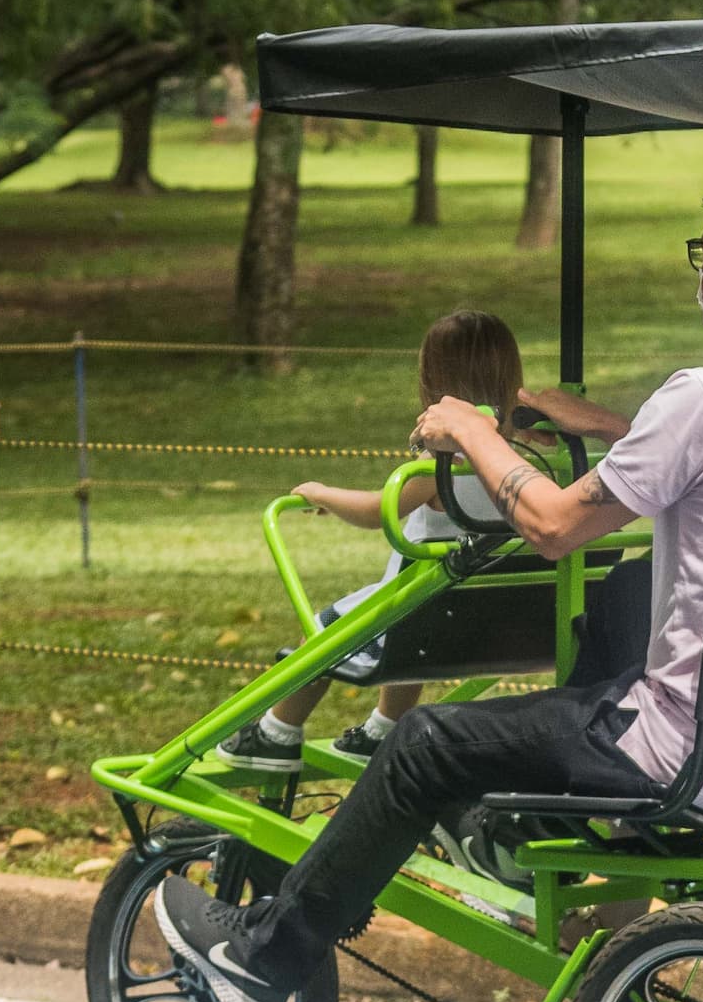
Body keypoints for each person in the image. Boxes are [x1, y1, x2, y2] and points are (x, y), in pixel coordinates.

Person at [162, 148, 703, 1002]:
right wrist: (607, 424)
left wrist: (473, 428)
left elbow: (552, 525)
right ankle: (509, 839)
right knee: (597, 653)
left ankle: (264, 958)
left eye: (701, 254)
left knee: (426, 742)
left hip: (696, 760)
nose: (700, 273)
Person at [212, 310, 529, 775]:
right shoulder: (522, 450)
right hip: (483, 621)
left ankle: (275, 734)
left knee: (324, 634)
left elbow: (379, 509)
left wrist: (321, 493)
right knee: (410, 631)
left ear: (432, 378)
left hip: (421, 608)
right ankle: (384, 729)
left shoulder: (447, 456)